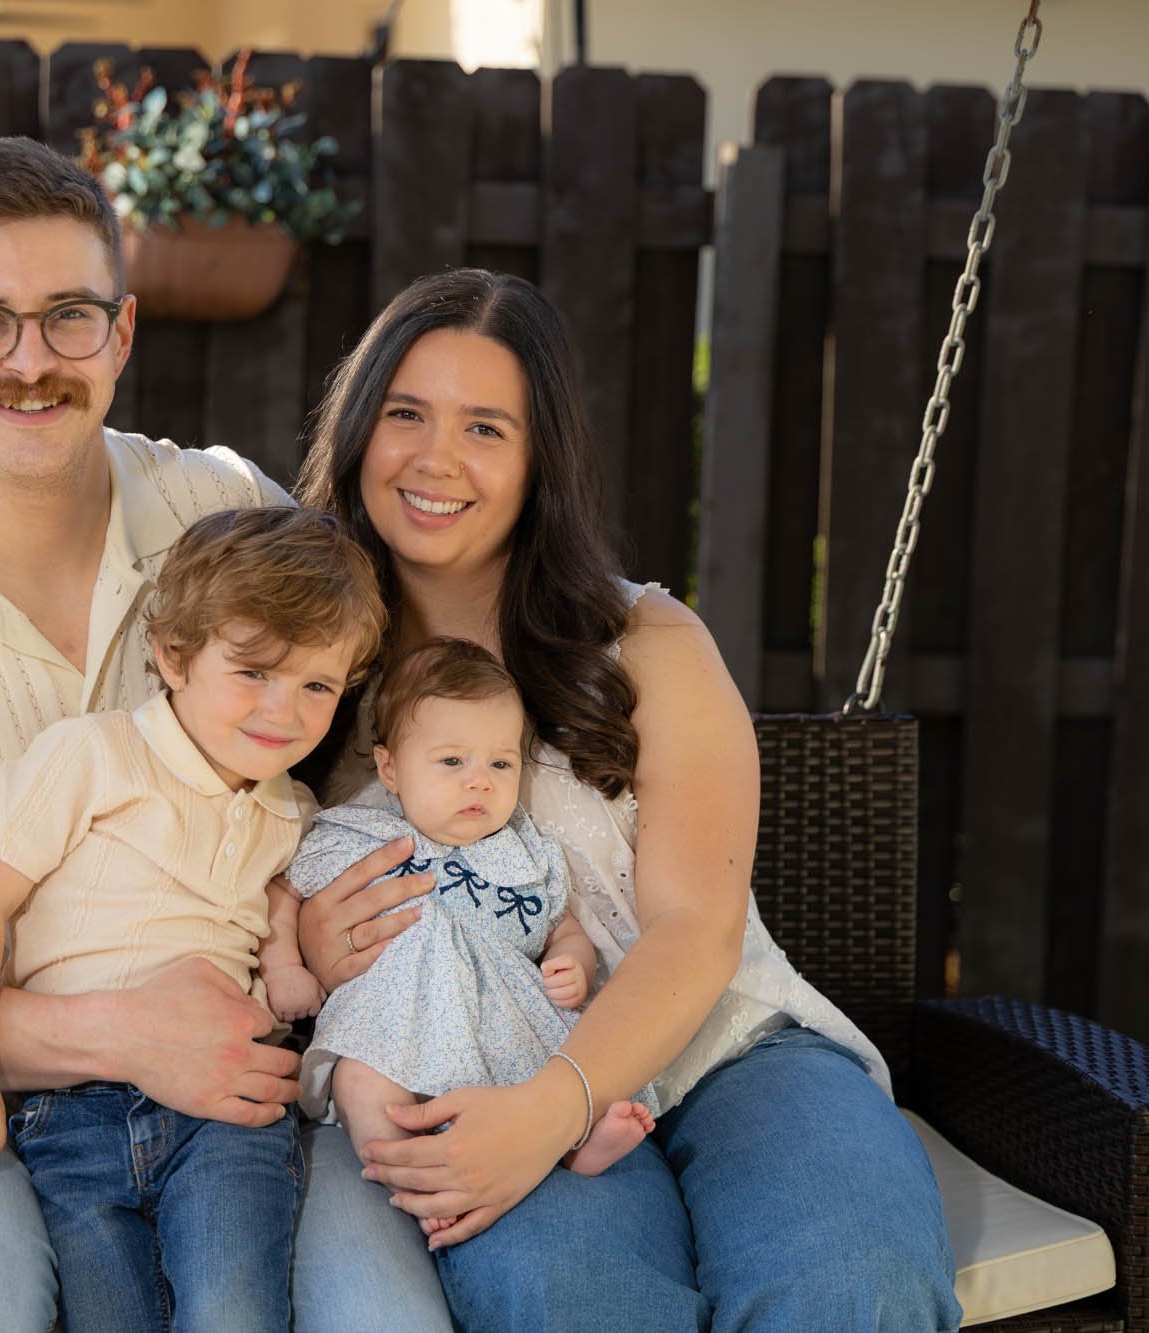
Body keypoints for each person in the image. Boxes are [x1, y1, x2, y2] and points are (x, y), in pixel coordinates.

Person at [0, 136, 444, 1331]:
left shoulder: (218, 511)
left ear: (120, 334)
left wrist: (319, 929)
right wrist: (117, 1034)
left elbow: (380, 683)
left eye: (67, 316)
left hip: (228, 1071)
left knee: (375, 1320)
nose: (30, 362)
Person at [290, 268, 963, 1331]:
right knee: (568, 1299)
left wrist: (554, 1107)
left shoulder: (645, 641)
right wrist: (314, 954)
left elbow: (697, 928)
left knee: (852, 1283)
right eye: (405, 414)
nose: (434, 458)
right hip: (485, 1066)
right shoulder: (307, 682)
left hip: (727, 1051)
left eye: (484, 428)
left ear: (539, 460)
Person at [0, 506, 385, 1330]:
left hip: (227, 1113)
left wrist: (288, 962)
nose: (284, 710)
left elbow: (281, 917)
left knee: (232, 1311)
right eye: (254, 671)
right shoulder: (92, 756)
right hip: (71, 1110)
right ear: (174, 655)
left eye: (316, 685)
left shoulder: (294, 816)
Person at [286, 636, 660, 1234]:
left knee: (545, 1076)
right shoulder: (361, 835)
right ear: (390, 768)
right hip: (392, 1018)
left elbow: (560, 923)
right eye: (452, 762)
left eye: (500, 764)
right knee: (360, 1079)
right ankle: (412, 1176)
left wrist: (574, 961)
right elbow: (288, 892)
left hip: (499, 1022)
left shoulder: (524, 852)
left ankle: (576, 1148)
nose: (479, 782)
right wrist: (287, 964)